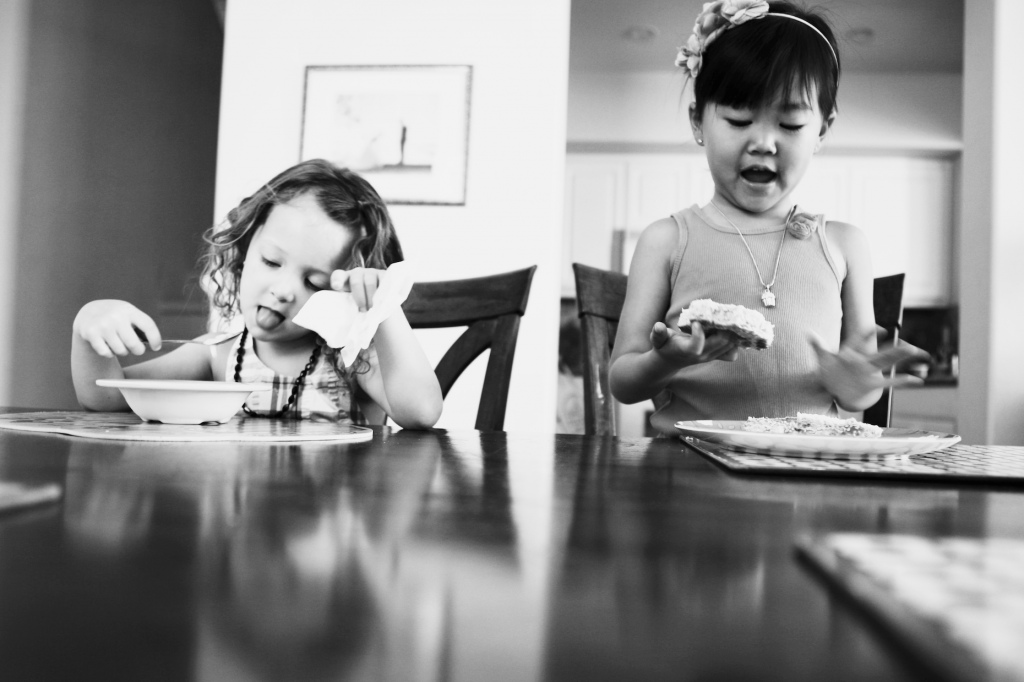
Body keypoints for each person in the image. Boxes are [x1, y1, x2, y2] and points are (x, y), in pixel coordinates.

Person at [609, 0, 924, 435]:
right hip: (689, 463)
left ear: (822, 130)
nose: (763, 142)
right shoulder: (666, 241)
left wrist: (858, 382)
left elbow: (858, 397)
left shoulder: (845, 246)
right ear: (698, 122)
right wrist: (665, 360)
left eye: (790, 125)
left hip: (809, 465)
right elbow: (622, 382)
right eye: (739, 119)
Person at [72, 159, 442, 428]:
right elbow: (106, 398)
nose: (282, 290)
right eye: (271, 261)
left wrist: (382, 305)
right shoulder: (217, 355)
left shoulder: (353, 361)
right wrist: (87, 331)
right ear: (245, 248)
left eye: (314, 283)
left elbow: (422, 413)